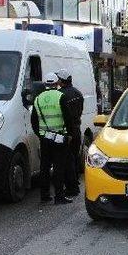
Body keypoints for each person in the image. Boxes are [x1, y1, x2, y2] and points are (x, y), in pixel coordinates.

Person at [31, 73, 73, 205]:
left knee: (44, 167)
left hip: (45, 139)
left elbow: (34, 121)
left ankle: (44, 196)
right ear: (57, 83)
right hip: (60, 138)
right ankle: (59, 197)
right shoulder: (61, 96)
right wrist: (69, 134)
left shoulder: (37, 99)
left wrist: (41, 134)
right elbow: (68, 118)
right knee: (59, 167)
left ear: (45, 84)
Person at [56, 69, 84, 197]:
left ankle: (70, 186)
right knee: (75, 156)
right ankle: (76, 181)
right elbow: (80, 111)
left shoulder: (60, 95)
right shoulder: (78, 93)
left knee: (67, 160)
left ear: (62, 81)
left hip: (66, 131)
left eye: (58, 79)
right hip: (76, 129)